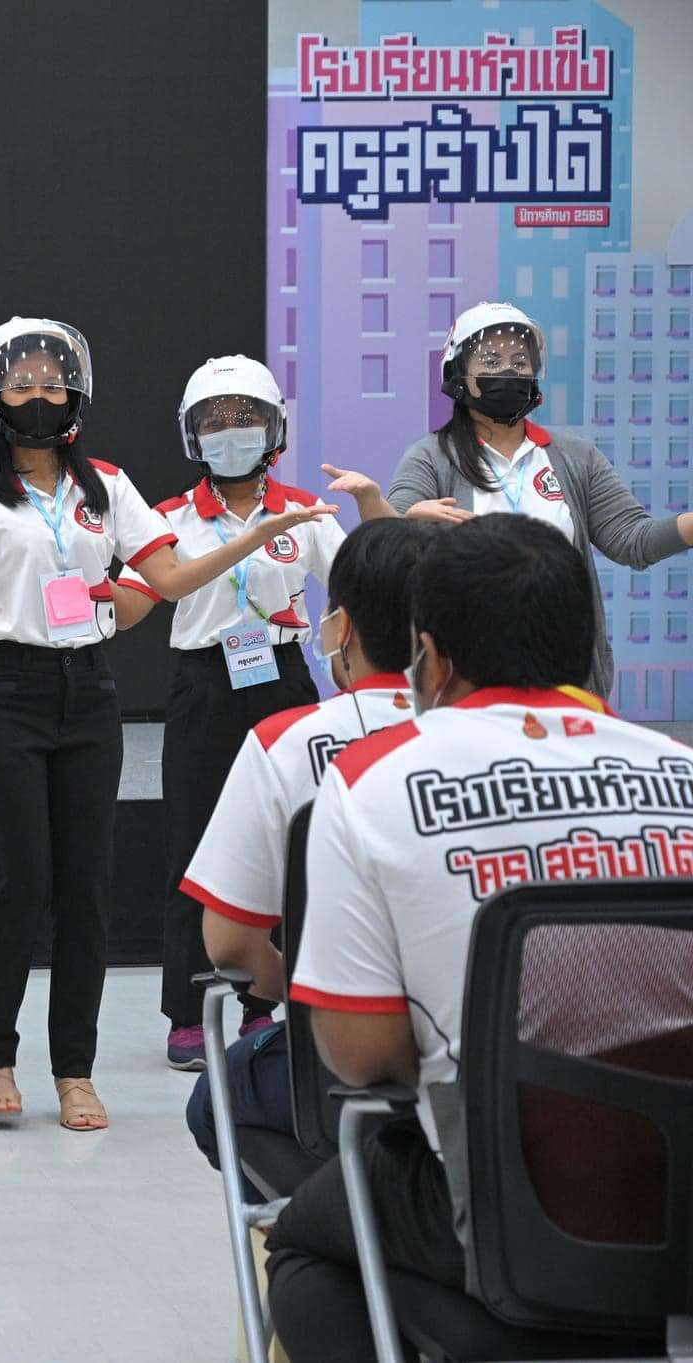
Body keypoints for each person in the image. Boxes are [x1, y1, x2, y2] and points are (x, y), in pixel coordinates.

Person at [0, 319, 338, 1131]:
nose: (39, 395)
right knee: (19, 884)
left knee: (86, 888)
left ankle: (74, 1070)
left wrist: (254, 538)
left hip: (87, 691)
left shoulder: (107, 485)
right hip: (1, 690)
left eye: (53, 381)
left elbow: (170, 578)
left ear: (76, 393)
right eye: (22, 383)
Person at [265, 513, 693, 1363]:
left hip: (519, 1211)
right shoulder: (681, 772)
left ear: (432, 656)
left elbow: (360, 1052)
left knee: (307, 1246)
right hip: (682, 1211)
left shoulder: (369, 782)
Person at [147, 357, 394, 1070]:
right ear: (192, 435)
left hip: (282, 680)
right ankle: (187, 1012)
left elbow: (367, 578)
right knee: (194, 844)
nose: (231, 432)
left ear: (274, 428)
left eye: (245, 418)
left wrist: (373, 505)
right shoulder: (168, 517)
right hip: (203, 684)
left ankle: (265, 1006)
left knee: (291, 844)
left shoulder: (305, 513)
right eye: (215, 422)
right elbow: (141, 591)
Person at [178, 518, 435, 1182]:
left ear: (339, 626)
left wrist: (316, 991)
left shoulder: (284, 742)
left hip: (347, 1059)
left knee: (218, 1100)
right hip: (503, 1061)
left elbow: (231, 947)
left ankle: (339, 1221)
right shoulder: (493, 743)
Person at [390, 301, 693, 701]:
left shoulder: (576, 456)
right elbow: (386, 540)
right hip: (465, 677)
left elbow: (633, 540)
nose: (509, 372)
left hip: (566, 676)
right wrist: (405, 527)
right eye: (491, 361)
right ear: (458, 372)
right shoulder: (430, 457)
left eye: (520, 362)